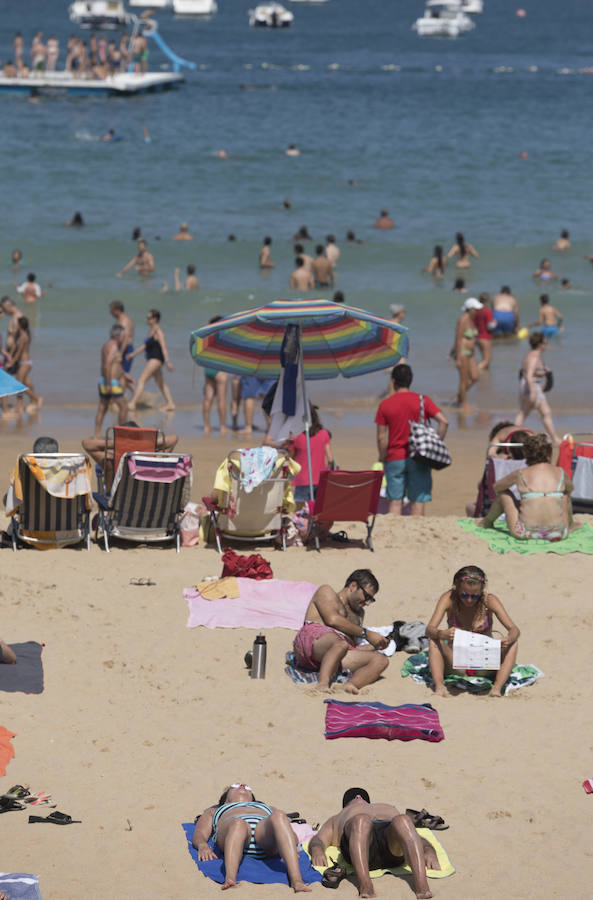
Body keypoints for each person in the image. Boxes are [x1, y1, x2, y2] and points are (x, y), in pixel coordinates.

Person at [309, 788, 439, 899]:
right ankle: (366, 885)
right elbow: (318, 839)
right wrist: (317, 850)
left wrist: (428, 849)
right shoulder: (338, 816)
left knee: (403, 819)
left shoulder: (388, 809)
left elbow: (409, 834)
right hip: (359, 841)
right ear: (356, 797)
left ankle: (422, 887)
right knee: (361, 820)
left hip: (391, 845)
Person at [192, 783, 312, 893]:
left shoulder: (267, 807)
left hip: (265, 838)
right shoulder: (214, 810)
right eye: (235, 785)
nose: (243, 786)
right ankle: (230, 879)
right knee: (238, 824)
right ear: (225, 798)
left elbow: (287, 831)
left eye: (248, 787)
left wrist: (289, 846)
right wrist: (202, 845)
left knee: (279, 815)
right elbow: (200, 832)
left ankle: (297, 881)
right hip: (233, 835)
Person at [426, 565, 520, 698]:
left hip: (484, 662)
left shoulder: (490, 600)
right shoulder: (449, 599)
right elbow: (429, 629)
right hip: (456, 662)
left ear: (481, 591)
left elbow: (514, 629)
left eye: (474, 596)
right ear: (457, 589)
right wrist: (442, 634)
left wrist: (509, 639)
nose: (469, 600)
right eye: (464, 595)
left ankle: (497, 688)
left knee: (514, 643)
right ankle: (440, 687)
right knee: (434, 641)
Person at [293, 570, 389, 693]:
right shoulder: (326, 592)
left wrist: (375, 645)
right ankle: (322, 683)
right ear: (353, 586)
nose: (367, 603)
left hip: (336, 654)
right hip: (313, 644)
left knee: (381, 660)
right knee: (339, 644)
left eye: (371, 599)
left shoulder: (359, 614)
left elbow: (352, 647)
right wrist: (367, 634)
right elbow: (332, 620)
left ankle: (350, 684)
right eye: (367, 596)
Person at [375, 365, 448, 516]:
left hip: (394, 457)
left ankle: (394, 533)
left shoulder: (385, 404)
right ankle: (417, 533)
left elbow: (382, 437)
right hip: (419, 457)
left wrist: (382, 456)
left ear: (393, 381)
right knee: (417, 501)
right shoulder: (423, 400)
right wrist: (436, 442)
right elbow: (444, 422)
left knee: (395, 501)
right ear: (410, 380)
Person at [482, 433, 577, 541]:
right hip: (559, 533)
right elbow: (570, 489)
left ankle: (487, 522)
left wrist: (521, 501)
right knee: (564, 495)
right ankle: (571, 525)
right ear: (549, 453)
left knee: (505, 494)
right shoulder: (560, 472)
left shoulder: (520, 473)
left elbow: (496, 487)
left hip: (525, 533)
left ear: (526, 454)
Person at [514, 332, 560, 444]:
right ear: (540, 344)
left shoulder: (530, 355)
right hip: (532, 387)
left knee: (542, 412)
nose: (546, 345)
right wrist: (532, 392)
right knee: (528, 413)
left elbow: (527, 372)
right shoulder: (535, 357)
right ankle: (513, 437)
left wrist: (542, 373)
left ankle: (513, 436)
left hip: (527, 386)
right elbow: (529, 375)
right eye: (545, 342)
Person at [82, 421, 178, 468]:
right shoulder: (153, 460)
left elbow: (86, 444)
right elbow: (174, 439)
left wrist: (120, 443)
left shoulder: (111, 462)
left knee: (99, 469)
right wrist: (145, 443)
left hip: (117, 502)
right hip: (144, 497)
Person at [290, 404, 333, 501]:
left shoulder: (297, 436)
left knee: (300, 510)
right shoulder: (324, 433)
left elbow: (291, 459)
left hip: (302, 480)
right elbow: (330, 459)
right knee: (316, 508)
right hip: (320, 479)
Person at [93, 324, 128, 436]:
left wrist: (125, 375)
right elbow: (107, 365)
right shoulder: (113, 346)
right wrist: (109, 384)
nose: (124, 338)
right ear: (118, 336)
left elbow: (114, 364)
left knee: (103, 408)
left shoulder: (106, 345)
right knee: (124, 408)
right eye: (123, 335)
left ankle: (97, 434)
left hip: (104, 381)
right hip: (111, 383)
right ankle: (121, 434)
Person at [202, 316, 229, 435]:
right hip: (220, 370)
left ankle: (206, 426)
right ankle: (222, 427)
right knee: (221, 400)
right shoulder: (223, 337)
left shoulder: (207, 338)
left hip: (208, 369)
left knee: (208, 399)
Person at [454, 298, 480, 411]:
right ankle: (463, 404)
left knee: (475, 377)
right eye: (475, 309)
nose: (477, 311)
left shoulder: (471, 319)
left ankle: (459, 396)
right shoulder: (463, 320)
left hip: (471, 353)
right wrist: (458, 357)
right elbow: (459, 338)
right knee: (463, 380)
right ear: (469, 309)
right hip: (463, 353)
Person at [109, 301, 135, 389]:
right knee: (120, 373)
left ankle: (120, 398)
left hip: (126, 349)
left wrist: (120, 353)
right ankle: (139, 395)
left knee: (122, 375)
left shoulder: (124, 320)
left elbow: (125, 338)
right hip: (121, 349)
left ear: (117, 310)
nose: (110, 312)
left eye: (111, 310)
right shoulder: (119, 319)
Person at [474, 292, 496, 371]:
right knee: (487, 360)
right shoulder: (487, 311)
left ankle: (485, 377)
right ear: (488, 301)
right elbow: (490, 326)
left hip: (477, 337)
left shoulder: (476, 311)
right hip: (485, 337)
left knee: (484, 358)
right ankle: (476, 371)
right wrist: (495, 323)